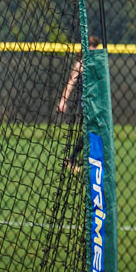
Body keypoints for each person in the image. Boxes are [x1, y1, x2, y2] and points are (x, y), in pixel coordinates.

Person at [57, 36, 102, 173]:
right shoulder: (81, 64)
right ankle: (73, 159)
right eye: (89, 45)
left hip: (99, 103)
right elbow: (71, 82)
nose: (91, 47)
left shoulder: (99, 63)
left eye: (93, 45)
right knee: (90, 130)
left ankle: (78, 159)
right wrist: (63, 100)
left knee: (95, 131)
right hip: (87, 103)